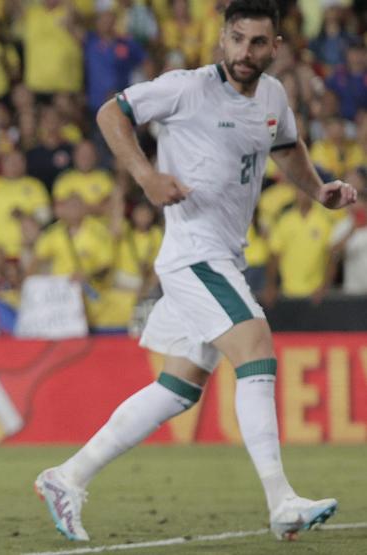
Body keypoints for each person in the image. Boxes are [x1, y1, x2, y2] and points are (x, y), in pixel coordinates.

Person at [35, 0, 355, 543]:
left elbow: (284, 146)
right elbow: (110, 113)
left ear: (275, 47)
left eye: (257, 43)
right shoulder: (185, 88)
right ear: (222, 38)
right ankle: (282, 502)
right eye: (236, 39)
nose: (244, 53)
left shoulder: (274, 96)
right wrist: (145, 176)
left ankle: (66, 477)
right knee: (256, 349)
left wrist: (318, 188)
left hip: (226, 254)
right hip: (193, 255)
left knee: (179, 389)